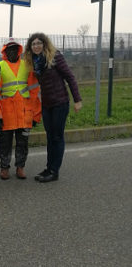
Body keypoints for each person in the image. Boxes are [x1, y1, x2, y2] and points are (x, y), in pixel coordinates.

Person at [23, 33, 82, 182]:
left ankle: (54, 171)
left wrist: (77, 100)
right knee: (50, 137)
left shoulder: (55, 57)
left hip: (60, 103)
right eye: (33, 44)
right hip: (47, 104)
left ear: (44, 44)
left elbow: (70, 77)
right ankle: (49, 168)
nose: (36, 46)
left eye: (39, 43)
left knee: (57, 136)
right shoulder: (35, 62)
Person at [0, 39, 41, 180]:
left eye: (15, 49)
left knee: (23, 143)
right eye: (9, 49)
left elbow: (35, 92)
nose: (12, 52)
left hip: (25, 112)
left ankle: (20, 167)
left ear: (19, 51)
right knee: (5, 143)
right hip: (6, 114)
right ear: (5, 51)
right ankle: (4, 168)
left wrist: (36, 115)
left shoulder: (27, 66)